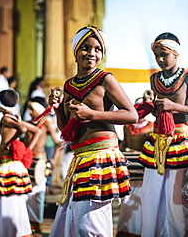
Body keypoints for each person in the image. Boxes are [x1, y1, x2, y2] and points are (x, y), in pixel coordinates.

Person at [48, 26, 137, 237]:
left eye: (98, 49)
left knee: (89, 224)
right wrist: (58, 107)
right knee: (71, 222)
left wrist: (93, 115)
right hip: (80, 158)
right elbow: (67, 130)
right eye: (86, 48)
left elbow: (132, 115)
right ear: (76, 52)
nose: (92, 54)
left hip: (101, 157)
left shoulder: (106, 79)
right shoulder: (68, 85)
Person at [138, 32, 188, 237]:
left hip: (181, 139)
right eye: (157, 55)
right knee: (152, 195)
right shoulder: (154, 79)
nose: (160, 59)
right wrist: (150, 108)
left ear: (175, 54)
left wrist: (173, 106)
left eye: (164, 55)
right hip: (158, 139)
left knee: (179, 196)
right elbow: (159, 110)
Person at [0, 89, 42, 237]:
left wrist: (12, 141)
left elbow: (23, 129)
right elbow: (36, 131)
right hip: (15, 165)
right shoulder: (16, 118)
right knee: (16, 202)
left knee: (7, 203)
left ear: (0, 105)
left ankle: (9, 233)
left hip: (8, 165)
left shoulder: (6, 119)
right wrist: (27, 149)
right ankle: (20, 232)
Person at [116, 97, 153, 237]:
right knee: (127, 200)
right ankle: (128, 230)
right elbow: (125, 143)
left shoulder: (152, 125)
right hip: (130, 167)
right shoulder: (127, 126)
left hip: (145, 167)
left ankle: (143, 230)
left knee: (143, 199)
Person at [25, 100, 59, 236]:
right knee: (27, 193)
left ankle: (37, 227)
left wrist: (54, 160)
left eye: (31, 110)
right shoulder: (29, 123)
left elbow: (57, 143)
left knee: (38, 195)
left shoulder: (46, 124)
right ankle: (28, 225)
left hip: (40, 159)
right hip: (28, 159)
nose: (29, 112)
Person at [0, 66, 12, 132]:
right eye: (8, 72)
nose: (9, 73)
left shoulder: (5, 80)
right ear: (5, 72)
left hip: (4, 102)